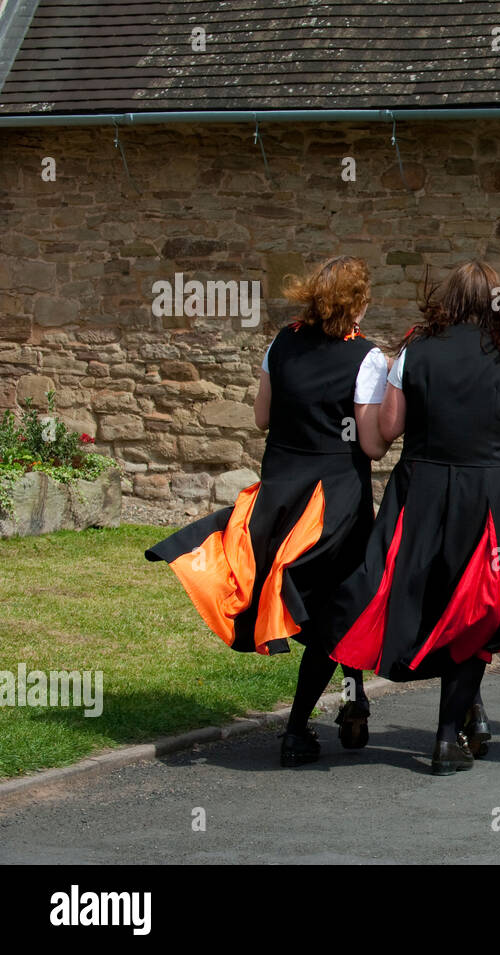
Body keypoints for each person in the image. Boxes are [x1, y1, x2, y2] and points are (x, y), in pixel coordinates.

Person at [146, 255, 390, 767]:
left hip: (281, 493)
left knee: (332, 603)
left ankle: (355, 699)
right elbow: (370, 447)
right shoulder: (368, 358)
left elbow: (262, 416)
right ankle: (298, 729)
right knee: (334, 609)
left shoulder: (282, 342)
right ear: (358, 303)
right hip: (334, 501)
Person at [327, 260, 500, 776]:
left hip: (425, 495)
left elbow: (387, 430)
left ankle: (465, 715)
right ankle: (446, 734)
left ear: (448, 301)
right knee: (479, 606)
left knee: (432, 599)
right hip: (493, 499)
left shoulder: (414, 353)